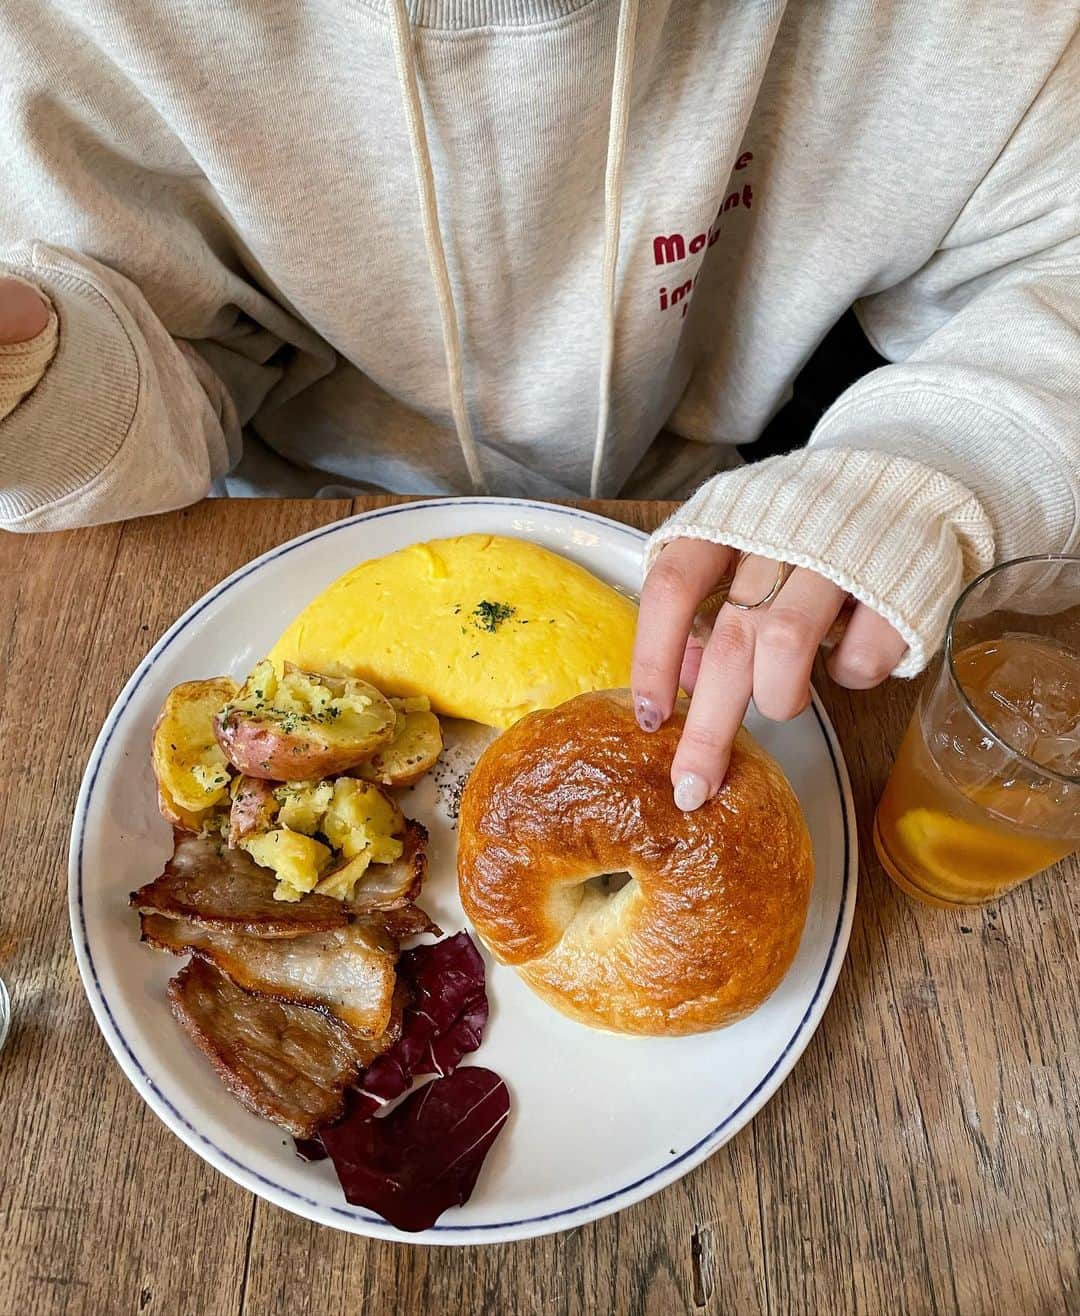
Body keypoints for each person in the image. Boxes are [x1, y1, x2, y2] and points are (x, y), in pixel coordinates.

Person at [1, 2, 1077, 812]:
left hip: (731, 535)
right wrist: (32, 382)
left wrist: (940, 456)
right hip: (271, 516)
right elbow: (155, 375)